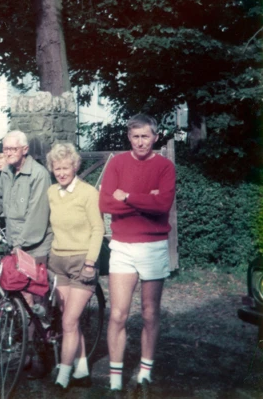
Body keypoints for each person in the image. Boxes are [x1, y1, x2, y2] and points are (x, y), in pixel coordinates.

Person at [99, 114, 175, 397]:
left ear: (155, 137)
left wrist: (128, 197)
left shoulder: (165, 166)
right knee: (118, 314)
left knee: (149, 312)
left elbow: (163, 204)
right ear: (129, 138)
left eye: (145, 136)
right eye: (135, 136)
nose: (140, 141)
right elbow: (105, 202)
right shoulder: (117, 163)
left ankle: (145, 371)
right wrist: (147, 199)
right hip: (122, 245)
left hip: (153, 246)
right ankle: (115, 377)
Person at [0, 130, 52, 377]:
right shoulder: (7, 172)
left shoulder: (39, 175)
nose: (8, 153)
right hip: (14, 243)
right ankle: (25, 351)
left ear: (25, 150)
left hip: (34, 245)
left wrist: (19, 245)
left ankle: (39, 353)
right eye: (5, 149)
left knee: (32, 300)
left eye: (12, 149)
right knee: (16, 299)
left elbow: (37, 217)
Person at [46, 143, 105, 390]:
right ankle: (82, 370)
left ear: (75, 166)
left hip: (83, 263)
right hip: (58, 262)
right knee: (72, 321)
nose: (61, 172)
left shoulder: (88, 193)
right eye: (57, 168)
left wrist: (91, 262)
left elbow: (98, 228)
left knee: (69, 322)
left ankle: (63, 375)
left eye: (65, 167)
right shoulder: (51, 192)